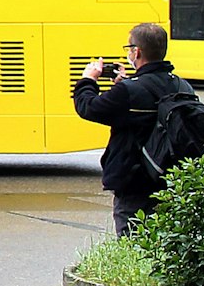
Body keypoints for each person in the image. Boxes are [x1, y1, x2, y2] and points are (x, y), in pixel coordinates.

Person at [72, 22, 192, 235]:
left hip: (135, 181)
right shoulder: (182, 86)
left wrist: (88, 80)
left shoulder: (129, 91)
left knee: (132, 240)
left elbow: (88, 107)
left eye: (129, 48)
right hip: (171, 179)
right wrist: (124, 83)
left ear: (136, 52)